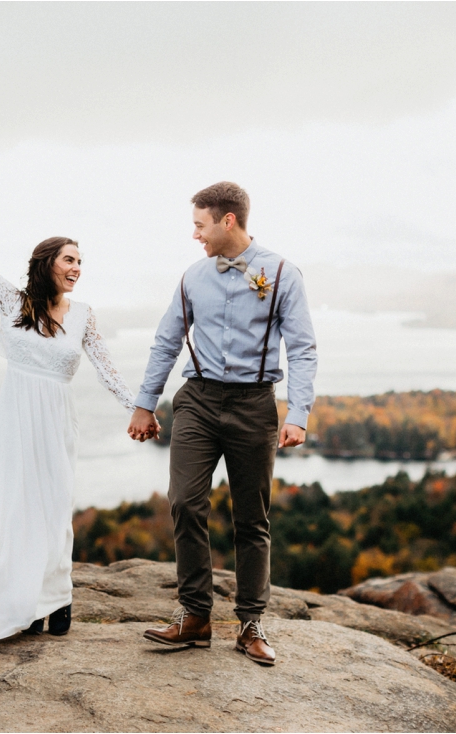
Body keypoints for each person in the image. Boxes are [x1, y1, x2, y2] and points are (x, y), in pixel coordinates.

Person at [129, 182, 317, 666]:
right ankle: (195, 617)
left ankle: (251, 622)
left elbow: (301, 347)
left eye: (199, 224)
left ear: (227, 221)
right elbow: (166, 340)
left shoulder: (281, 273)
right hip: (197, 400)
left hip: (255, 405)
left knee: (251, 518)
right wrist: (145, 404)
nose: (195, 235)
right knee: (185, 502)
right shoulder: (193, 278)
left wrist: (298, 414)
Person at [0, 216, 144, 642]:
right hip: (14, 418)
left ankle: (58, 597)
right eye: (70, 259)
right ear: (47, 262)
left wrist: (140, 408)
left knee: (53, 509)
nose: (77, 268)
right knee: (14, 507)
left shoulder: (83, 315)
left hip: (55, 420)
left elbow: (105, 366)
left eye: (81, 261)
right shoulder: (13, 303)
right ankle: (24, 601)